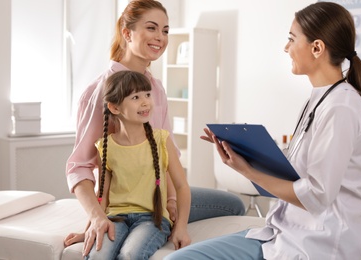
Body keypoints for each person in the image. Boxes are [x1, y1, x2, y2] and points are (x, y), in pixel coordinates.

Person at [165, 2, 361, 259]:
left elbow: (316, 196)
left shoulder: (342, 107)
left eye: (291, 39)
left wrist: (248, 171)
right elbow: (294, 169)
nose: (286, 48)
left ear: (317, 48)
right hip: (282, 233)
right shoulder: (318, 100)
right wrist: (241, 151)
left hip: (314, 245)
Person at [64, 0, 244, 256]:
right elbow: (79, 166)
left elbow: (166, 156)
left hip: (158, 199)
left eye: (166, 30)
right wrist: (96, 217)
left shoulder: (156, 88)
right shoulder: (102, 92)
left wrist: (171, 203)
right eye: (151, 28)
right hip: (126, 206)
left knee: (234, 204)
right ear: (127, 33)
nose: (160, 37)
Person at [85, 70, 191, 259]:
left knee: (131, 255)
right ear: (115, 108)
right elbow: (102, 196)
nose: (145, 102)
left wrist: (181, 228)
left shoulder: (162, 140)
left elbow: (182, 186)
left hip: (152, 219)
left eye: (148, 95)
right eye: (136, 97)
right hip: (116, 217)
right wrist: (91, 226)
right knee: (97, 256)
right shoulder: (105, 146)